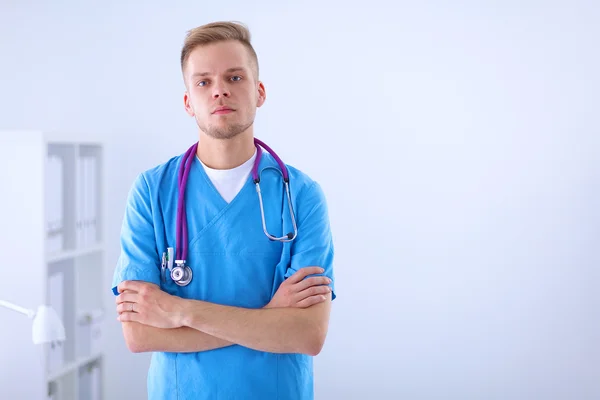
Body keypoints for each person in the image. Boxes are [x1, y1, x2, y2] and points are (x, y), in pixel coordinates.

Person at [111, 21, 336, 400]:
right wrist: (268, 316)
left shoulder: (301, 196)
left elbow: (307, 334)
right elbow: (138, 334)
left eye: (235, 77)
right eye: (203, 82)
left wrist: (179, 311)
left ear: (259, 91)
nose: (220, 91)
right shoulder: (152, 192)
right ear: (187, 102)